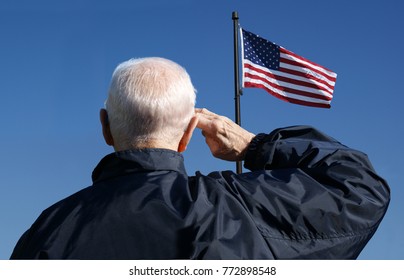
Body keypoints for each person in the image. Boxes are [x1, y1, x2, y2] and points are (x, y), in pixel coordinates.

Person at [10, 57, 390, 259]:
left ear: (106, 128)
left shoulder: (47, 231)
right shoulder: (235, 209)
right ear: (190, 133)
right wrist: (253, 146)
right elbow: (360, 187)